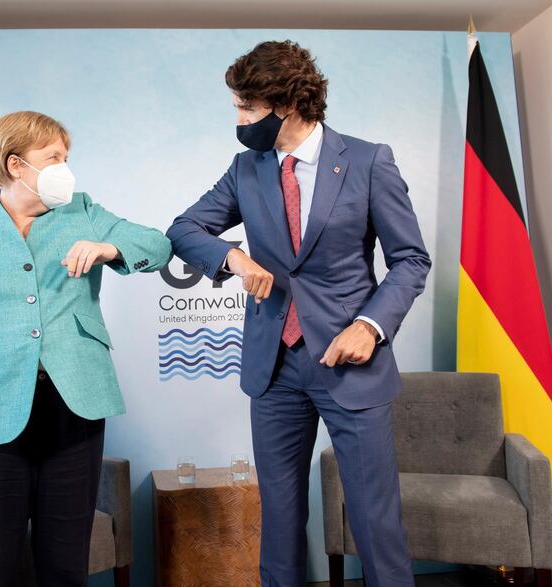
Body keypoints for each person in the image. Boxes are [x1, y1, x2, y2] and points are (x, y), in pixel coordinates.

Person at [166, 41, 431, 587]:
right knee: (281, 519)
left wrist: (370, 325)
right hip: (274, 368)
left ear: (285, 104)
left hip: (351, 365)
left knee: (374, 521)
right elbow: (184, 229)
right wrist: (233, 257)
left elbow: (410, 260)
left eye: (247, 107)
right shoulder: (246, 168)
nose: (238, 119)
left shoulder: (367, 160)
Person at [0, 111, 172, 586]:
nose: (67, 167)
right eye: (55, 157)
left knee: (65, 565)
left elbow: (158, 246)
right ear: (16, 164)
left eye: (67, 156)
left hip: (74, 408)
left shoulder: (83, 211)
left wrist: (109, 249)